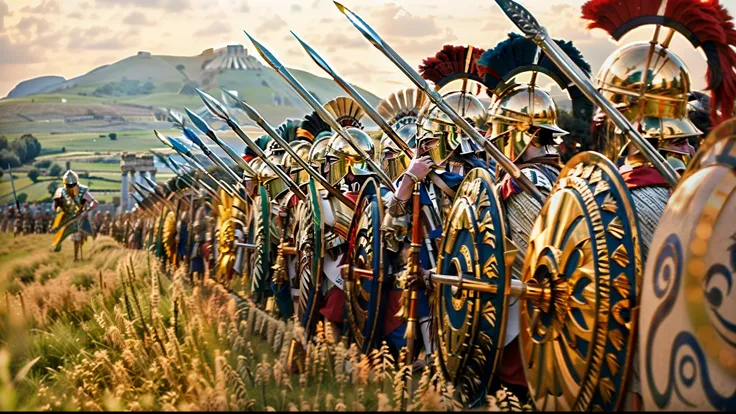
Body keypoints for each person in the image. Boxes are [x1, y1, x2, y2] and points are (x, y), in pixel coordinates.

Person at [50, 170, 99, 261]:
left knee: (91, 234)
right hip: (70, 218)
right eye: (69, 185)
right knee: (74, 238)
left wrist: (87, 210)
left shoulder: (83, 191)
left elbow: (94, 202)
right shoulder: (61, 192)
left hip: (82, 217)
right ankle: (76, 256)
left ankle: (95, 252)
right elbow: (55, 206)